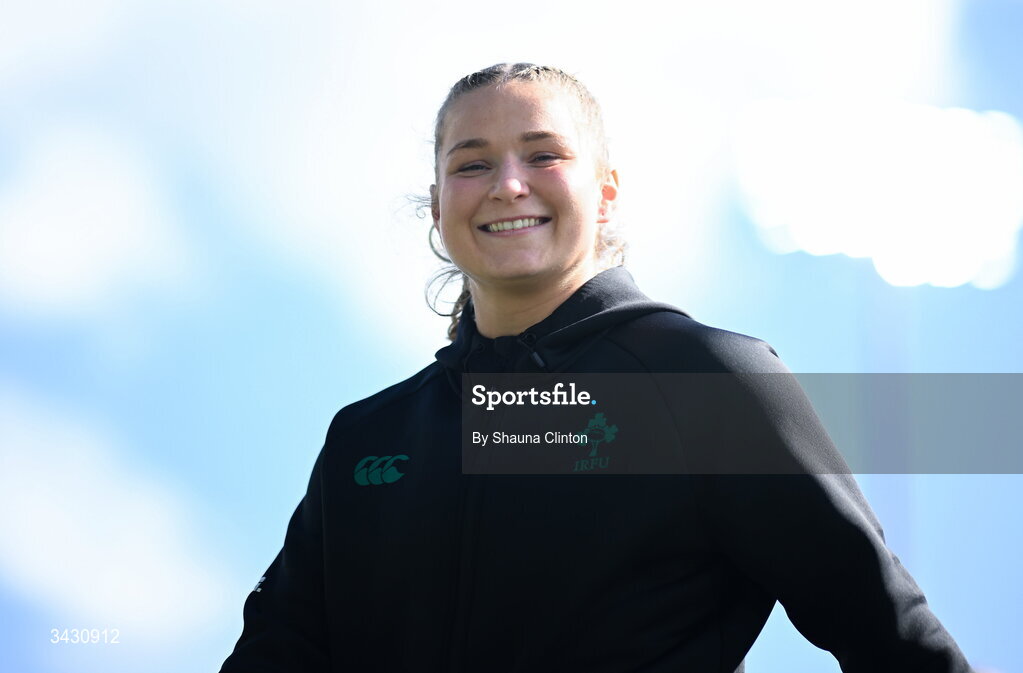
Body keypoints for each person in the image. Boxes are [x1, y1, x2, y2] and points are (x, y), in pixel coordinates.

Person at [219, 63, 973, 672]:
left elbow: (887, 633)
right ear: (437, 205)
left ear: (605, 190)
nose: (508, 184)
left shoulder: (700, 381)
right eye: (471, 163)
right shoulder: (367, 436)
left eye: (543, 154)